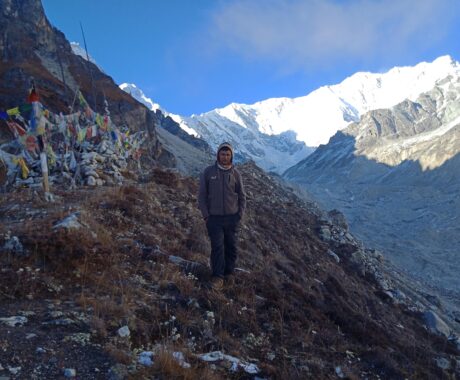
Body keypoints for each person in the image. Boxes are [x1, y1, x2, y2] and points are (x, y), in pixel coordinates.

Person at [198, 142, 246, 290]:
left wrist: (239, 214)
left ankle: (229, 273)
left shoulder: (235, 173)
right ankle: (218, 277)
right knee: (217, 247)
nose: (225, 157)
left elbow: (242, 196)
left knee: (231, 247)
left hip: (232, 218)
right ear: (218, 154)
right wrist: (206, 215)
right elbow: (202, 195)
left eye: (227, 154)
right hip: (214, 219)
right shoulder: (208, 172)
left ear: (231, 156)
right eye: (222, 154)